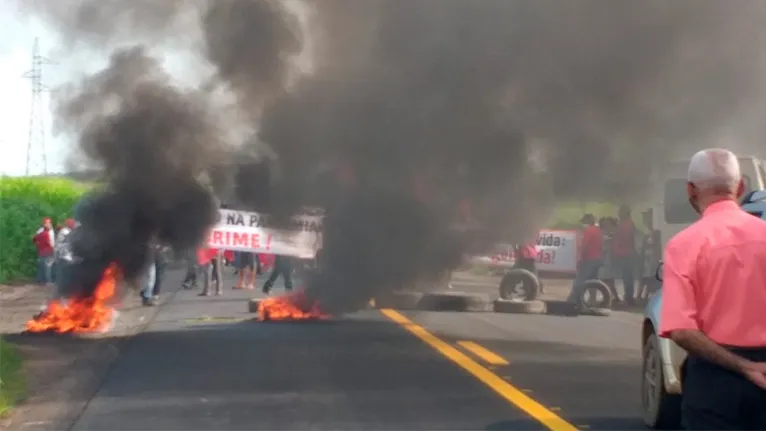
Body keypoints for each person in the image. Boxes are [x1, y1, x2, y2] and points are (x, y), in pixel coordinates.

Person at [659, 148, 766, 430]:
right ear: (741, 186)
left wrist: (744, 367)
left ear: (690, 190)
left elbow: (682, 330)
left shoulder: (684, 245)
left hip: (714, 380)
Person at [566, 213, 603, 309]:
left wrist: (579, 257)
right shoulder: (598, 231)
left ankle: (572, 299)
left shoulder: (588, 231)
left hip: (588, 259)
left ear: (588, 221)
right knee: (593, 281)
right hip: (597, 259)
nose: (583, 224)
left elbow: (584, 246)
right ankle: (593, 301)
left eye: (584, 222)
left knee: (579, 280)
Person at [613, 205, 638, 305]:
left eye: (620, 212)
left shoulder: (627, 224)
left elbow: (625, 237)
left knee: (627, 277)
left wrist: (616, 234)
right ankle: (628, 297)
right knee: (626, 277)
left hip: (626, 254)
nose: (619, 214)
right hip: (624, 253)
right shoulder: (625, 224)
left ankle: (629, 298)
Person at [32, 217, 56, 285]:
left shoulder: (51, 230)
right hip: (48, 250)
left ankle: (41, 280)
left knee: (43, 265)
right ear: (44, 224)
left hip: (44, 250)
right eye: (47, 222)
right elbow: (35, 238)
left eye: (49, 222)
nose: (48, 224)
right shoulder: (42, 230)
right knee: (47, 266)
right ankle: (46, 280)